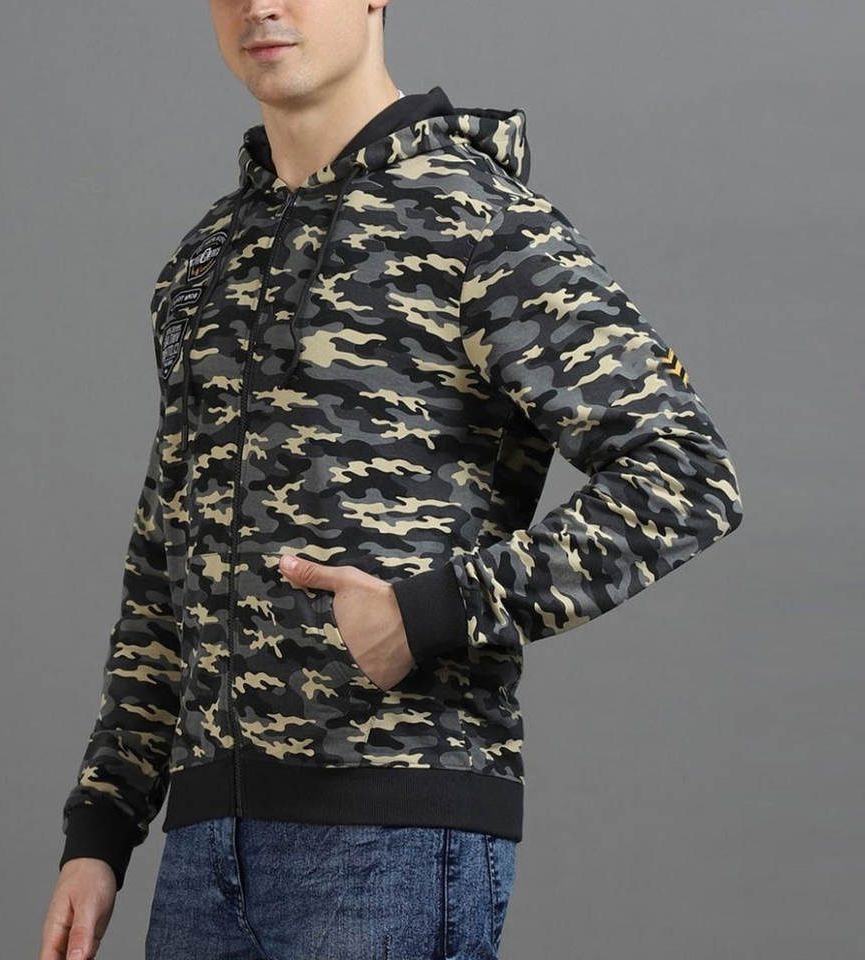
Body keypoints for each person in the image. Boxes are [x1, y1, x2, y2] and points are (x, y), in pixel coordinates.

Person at [40, 1, 745, 958]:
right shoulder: (205, 262)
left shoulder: (477, 221)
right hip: (204, 851)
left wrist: (433, 612)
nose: (260, 5)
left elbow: (687, 474)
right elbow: (164, 558)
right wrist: (103, 825)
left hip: (394, 835)